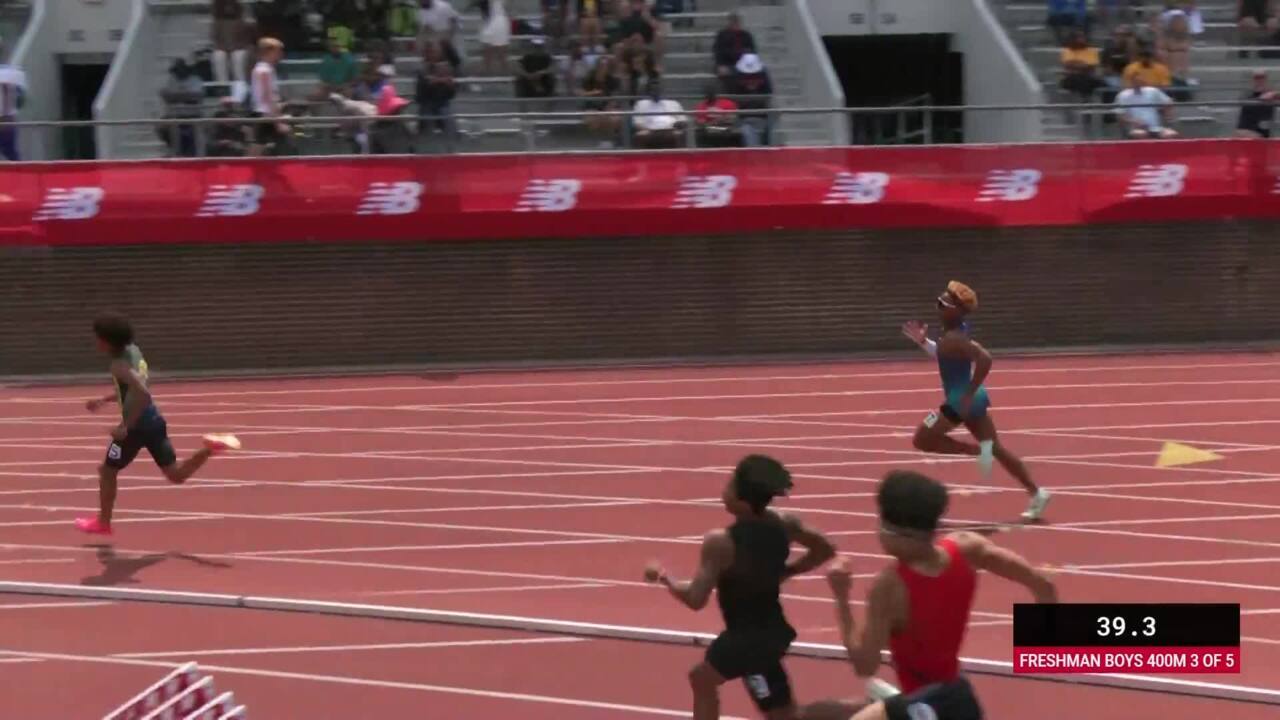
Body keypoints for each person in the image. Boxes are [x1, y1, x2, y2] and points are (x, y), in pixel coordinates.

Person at [801, 470, 1058, 720]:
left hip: (925, 702)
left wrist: (841, 596)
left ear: (893, 530)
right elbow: (1043, 584)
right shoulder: (967, 547)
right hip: (958, 697)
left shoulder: (890, 586)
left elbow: (864, 665)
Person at [643, 454, 836, 720]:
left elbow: (696, 599)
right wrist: (787, 571)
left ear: (741, 499)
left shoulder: (721, 542)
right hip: (771, 630)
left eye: (730, 484)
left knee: (702, 678)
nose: (724, 489)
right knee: (784, 715)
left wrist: (665, 578)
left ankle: (865, 710)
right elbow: (825, 548)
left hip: (747, 637)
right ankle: (864, 709)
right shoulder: (785, 524)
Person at [77, 314, 241, 536]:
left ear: (107, 341)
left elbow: (142, 394)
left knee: (107, 471)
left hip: (136, 428)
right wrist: (104, 400)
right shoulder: (133, 351)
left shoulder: (118, 365)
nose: (95, 342)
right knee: (175, 475)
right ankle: (210, 448)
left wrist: (125, 426)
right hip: (154, 422)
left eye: (98, 338)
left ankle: (103, 523)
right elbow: (133, 387)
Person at [901, 281, 1050, 521]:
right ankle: (1037, 492)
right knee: (997, 448)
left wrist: (968, 392)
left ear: (956, 311)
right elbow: (946, 352)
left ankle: (977, 451)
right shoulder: (955, 333)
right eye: (938, 302)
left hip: (960, 402)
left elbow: (985, 358)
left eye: (943, 304)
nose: (937, 307)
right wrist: (923, 342)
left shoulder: (955, 338)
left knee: (922, 438)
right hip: (973, 399)